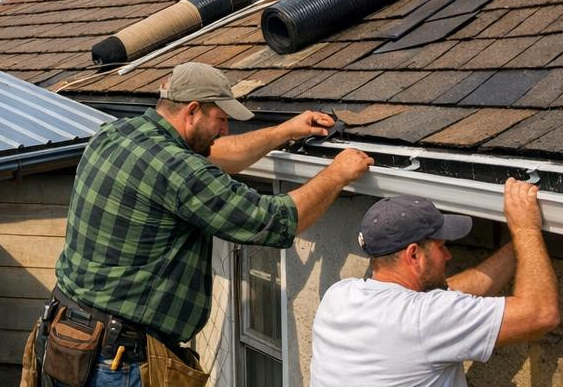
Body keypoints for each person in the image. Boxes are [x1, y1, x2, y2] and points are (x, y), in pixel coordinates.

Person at [45, 63, 374, 386]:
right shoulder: (181, 171)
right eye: (221, 118)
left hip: (68, 338)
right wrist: (338, 173)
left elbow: (216, 155)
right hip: (118, 365)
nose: (225, 130)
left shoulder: (117, 133)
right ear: (192, 111)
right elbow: (276, 220)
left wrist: (285, 131)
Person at [310, 182, 560, 386]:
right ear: (413, 255)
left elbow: (444, 299)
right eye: (441, 247)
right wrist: (526, 231)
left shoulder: (339, 295)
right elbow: (541, 314)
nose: (449, 256)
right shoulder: (425, 319)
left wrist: (518, 248)